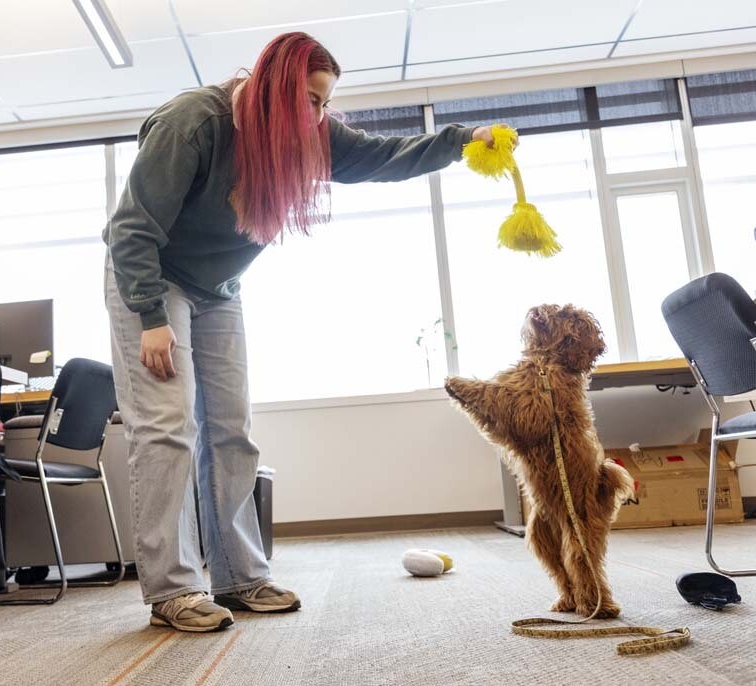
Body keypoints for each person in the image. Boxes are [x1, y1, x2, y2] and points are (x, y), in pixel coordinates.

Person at [104, 31, 509, 633]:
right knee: (167, 428)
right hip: (151, 280)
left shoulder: (310, 135)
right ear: (272, 87)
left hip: (217, 291)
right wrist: (150, 317)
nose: (318, 116)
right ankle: (172, 590)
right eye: (310, 100)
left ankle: (240, 577)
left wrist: (460, 142)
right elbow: (132, 228)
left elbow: (382, 155)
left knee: (232, 432)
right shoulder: (196, 122)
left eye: (325, 104)